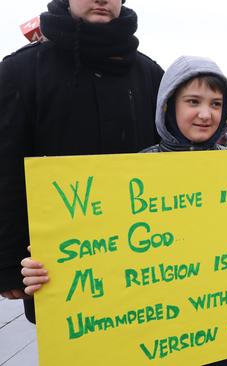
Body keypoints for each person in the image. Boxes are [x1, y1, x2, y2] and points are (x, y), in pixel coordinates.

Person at [20, 55, 227, 366]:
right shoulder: (133, 173)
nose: (205, 113)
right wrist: (48, 271)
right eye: (193, 101)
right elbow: (96, 254)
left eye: (215, 104)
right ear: (169, 104)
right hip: (159, 340)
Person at [0, 0, 163, 323]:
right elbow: (6, 172)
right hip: (60, 272)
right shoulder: (20, 73)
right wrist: (8, 262)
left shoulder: (151, 75)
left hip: (142, 263)